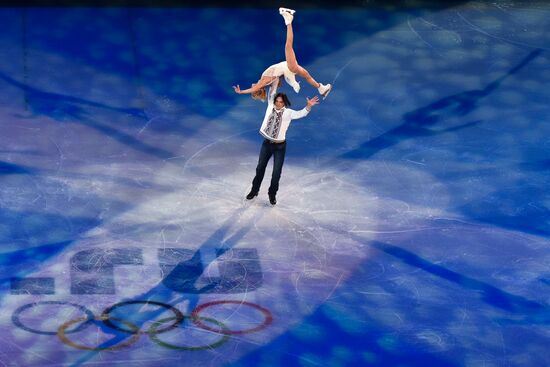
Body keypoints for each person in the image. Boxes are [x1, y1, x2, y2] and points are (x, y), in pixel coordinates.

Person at [243, 76, 320, 205]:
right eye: (277, 101)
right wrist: (276, 77)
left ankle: (272, 194)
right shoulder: (269, 106)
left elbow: (302, 113)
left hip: (280, 147)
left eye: (281, 102)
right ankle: (254, 190)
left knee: (276, 173)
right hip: (266, 144)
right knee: (260, 168)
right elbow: (272, 90)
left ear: (284, 103)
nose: (278, 103)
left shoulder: (288, 113)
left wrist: (308, 106)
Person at [233, 7, 331, 101]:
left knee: (307, 76)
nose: (252, 86)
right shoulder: (263, 82)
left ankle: (321, 88)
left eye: (252, 90)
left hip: (288, 68)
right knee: (288, 45)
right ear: (257, 89)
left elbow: (275, 84)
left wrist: (290, 81)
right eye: (253, 90)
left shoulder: (265, 80)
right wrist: (241, 92)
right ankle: (288, 20)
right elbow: (254, 89)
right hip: (289, 67)